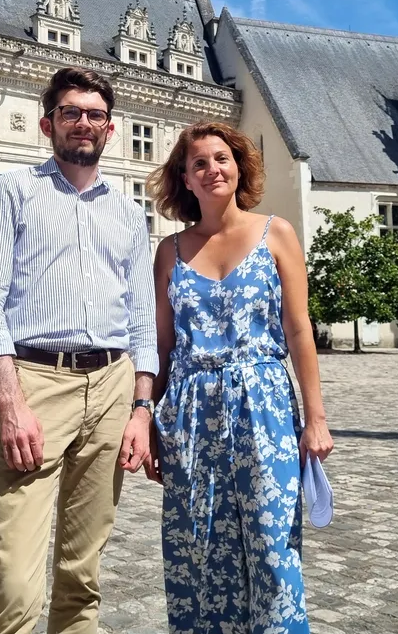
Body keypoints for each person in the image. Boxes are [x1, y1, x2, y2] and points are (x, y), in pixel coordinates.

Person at [0, 66, 158, 634]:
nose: (83, 124)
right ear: (48, 123)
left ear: (110, 130)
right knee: (17, 586)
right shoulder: (13, 191)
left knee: (82, 577)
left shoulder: (127, 212)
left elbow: (142, 320)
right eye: (71, 113)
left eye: (94, 115)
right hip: (36, 382)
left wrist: (142, 411)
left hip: (112, 387)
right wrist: (10, 401)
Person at [144, 121, 333, 634]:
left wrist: (315, 419)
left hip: (264, 404)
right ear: (184, 178)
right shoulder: (170, 251)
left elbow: (299, 330)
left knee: (272, 547)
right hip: (189, 413)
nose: (212, 170)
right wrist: (147, 421)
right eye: (199, 163)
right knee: (198, 549)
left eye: (221, 158)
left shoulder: (277, 233)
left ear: (238, 165)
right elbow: (162, 347)